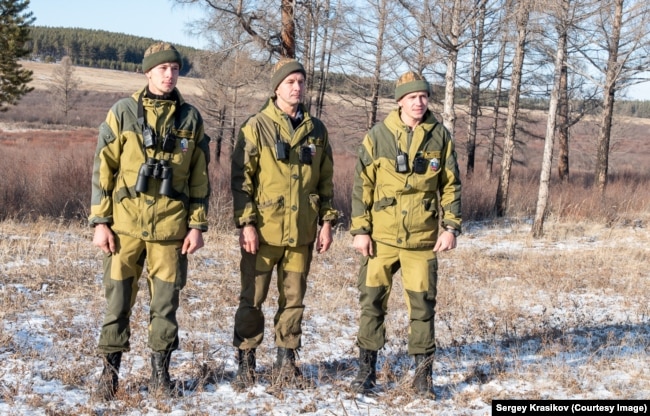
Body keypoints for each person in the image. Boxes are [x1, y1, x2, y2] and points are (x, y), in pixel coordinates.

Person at [89, 42, 211, 400]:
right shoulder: (123, 112)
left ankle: (161, 375)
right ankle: (109, 375)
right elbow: (103, 170)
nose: (169, 75)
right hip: (125, 228)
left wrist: (197, 225)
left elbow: (200, 177)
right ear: (147, 72)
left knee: (166, 305)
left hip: (171, 230)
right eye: (162, 69)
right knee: (117, 302)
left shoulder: (190, 118)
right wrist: (101, 221)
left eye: (174, 68)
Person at [349, 71, 461, 397]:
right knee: (371, 303)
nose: (419, 102)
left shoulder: (439, 137)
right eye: (412, 97)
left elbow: (451, 185)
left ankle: (423, 377)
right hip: (381, 239)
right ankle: (365, 371)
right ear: (399, 101)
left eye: (423, 97)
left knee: (423, 308)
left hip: (421, 241)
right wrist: (361, 230)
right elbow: (362, 187)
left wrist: (451, 227)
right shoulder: (378, 136)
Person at [230, 58, 338, 390]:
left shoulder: (316, 130)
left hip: (301, 232)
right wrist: (246, 223)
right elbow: (241, 181)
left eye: (301, 82)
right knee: (253, 298)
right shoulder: (257, 126)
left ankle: (285, 362)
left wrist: (327, 222)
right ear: (276, 87)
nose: (297, 87)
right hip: (263, 232)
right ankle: (246, 363)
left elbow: (325, 181)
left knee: (294, 299)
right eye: (290, 82)